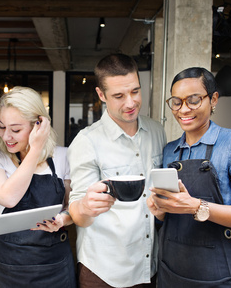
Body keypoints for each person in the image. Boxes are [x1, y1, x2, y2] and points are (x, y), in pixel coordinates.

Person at [147, 67, 231, 287]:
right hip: (171, 271)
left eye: (193, 100)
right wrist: (160, 213)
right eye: (176, 101)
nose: (183, 109)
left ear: (213, 99)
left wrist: (197, 206)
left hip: (221, 275)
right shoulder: (170, 151)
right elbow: (167, 217)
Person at [68, 53, 166, 288]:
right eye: (119, 96)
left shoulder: (156, 131)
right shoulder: (86, 141)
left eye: (135, 91)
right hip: (104, 271)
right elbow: (77, 211)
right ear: (101, 95)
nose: (130, 103)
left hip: (150, 265)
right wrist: (85, 206)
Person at [0, 86, 76, 288]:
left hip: (55, 265)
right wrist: (36, 149)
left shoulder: (63, 157)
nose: (7, 137)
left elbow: (71, 206)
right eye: (2, 127)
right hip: (9, 266)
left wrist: (63, 219)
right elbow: (8, 198)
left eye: (15, 130)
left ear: (38, 126)